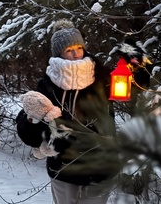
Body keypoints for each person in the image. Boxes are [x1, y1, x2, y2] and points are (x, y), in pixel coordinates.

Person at [16, 19, 117, 204]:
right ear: (59, 53)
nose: (76, 54)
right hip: (64, 168)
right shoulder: (47, 86)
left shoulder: (102, 79)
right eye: (69, 50)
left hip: (100, 167)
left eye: (78, 48)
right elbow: (30, 134)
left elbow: (109, 124)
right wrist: (32, 120)